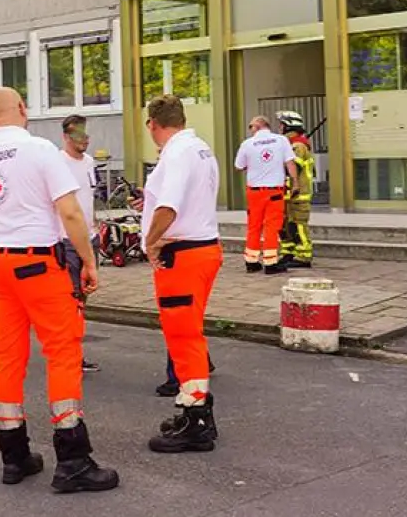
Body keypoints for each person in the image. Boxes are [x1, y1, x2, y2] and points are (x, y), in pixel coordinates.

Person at [0, 87, 118, 493]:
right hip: (38, 264)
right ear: (23, 110)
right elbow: (69, 211)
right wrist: (89, 261)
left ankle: (14, 455)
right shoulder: (41, 151)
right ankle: (73, 459)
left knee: (9, 355)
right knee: (63, 352)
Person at [133, 94, 222, 453]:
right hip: (201, 249)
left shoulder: (176, 153)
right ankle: (190, 408)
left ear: (153, 124)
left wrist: (150, 243)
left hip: (181, 255)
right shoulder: (199, 148)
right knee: (189, 335)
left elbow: (169, 207)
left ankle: (197, 422)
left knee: (183, 340)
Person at [55, 115, 100, 373]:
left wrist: (95, 228)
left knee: (82, 300)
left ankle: (75, 351)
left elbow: (88, 199)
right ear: (66, 137)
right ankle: (69, 354)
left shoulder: (89, 163)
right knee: (70, 301)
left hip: (89, 239)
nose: (83, 139)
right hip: (66, 240)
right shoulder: (57, 164)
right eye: (77, 135)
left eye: (85, 135)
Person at [233, 116, 296, 274]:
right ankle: (270, 263)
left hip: (254, 192)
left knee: (254, 226)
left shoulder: (247, 144)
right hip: (274, 191)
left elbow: (239, 166)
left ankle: (251, 261)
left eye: (250, 126)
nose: (250, 130)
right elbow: (290, 162)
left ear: (257, 127)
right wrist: (295, 182)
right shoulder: (281, 140)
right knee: (272, 226)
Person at [277, 111, 316, 269]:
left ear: (288, 126)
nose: (279, 127)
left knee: (299, 224)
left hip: (298, 194)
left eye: (282, 124)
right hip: (287, 194)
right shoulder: (290, 144)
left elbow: (293, 167)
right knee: (285, 225)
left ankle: (304, 256)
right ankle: (288, 252)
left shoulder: (298, 146)